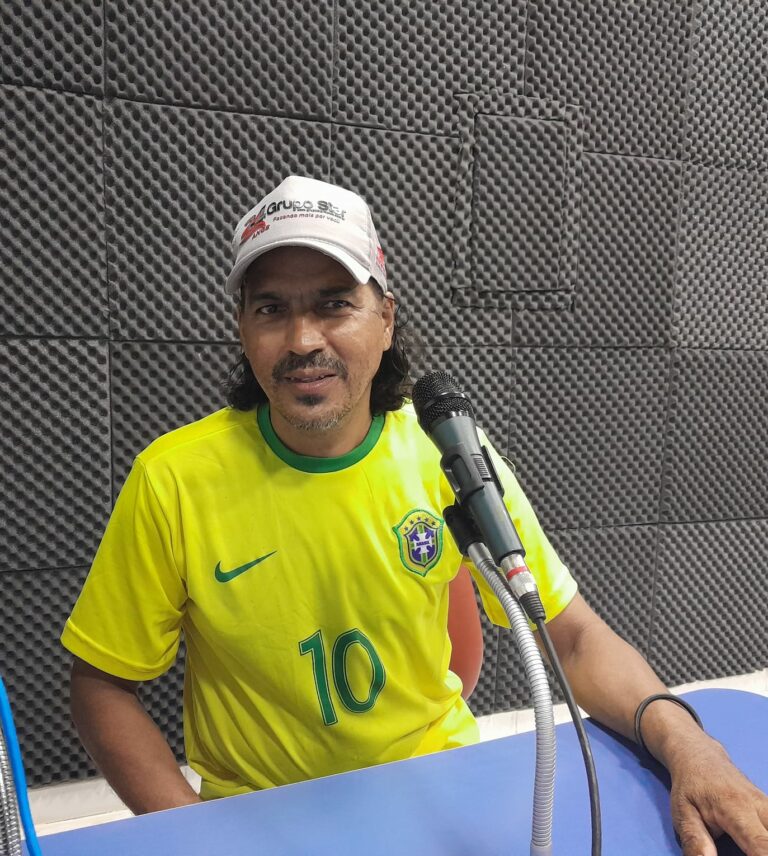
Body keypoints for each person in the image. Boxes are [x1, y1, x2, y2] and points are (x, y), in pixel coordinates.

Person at [63, 176, 768, 856]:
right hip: (261, 816)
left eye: (335, 304)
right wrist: (196, 836)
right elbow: (103, 684)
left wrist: (689, 745)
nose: (303, 339)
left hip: (439, 791)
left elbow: (574, 636)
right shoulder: (174, 478)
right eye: (271, 309)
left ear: (386, 320)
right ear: (243, 327)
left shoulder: (446, 453)